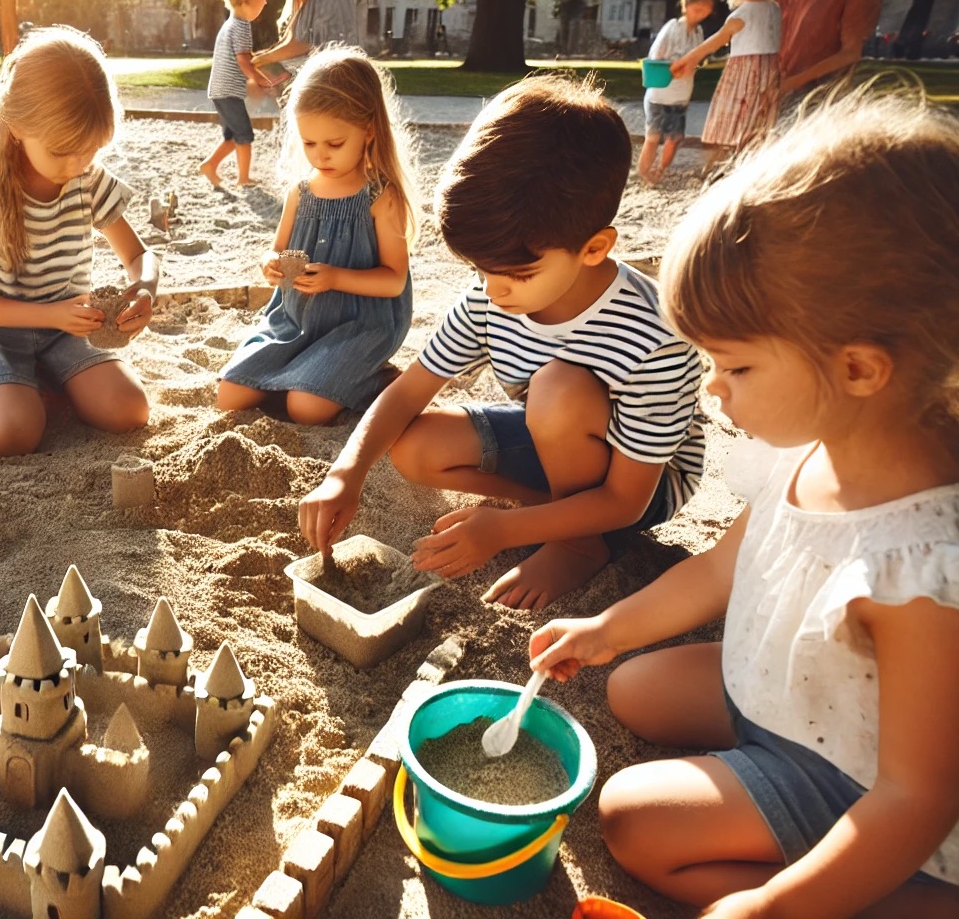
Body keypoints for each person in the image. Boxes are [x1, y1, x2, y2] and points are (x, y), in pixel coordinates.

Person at [529, 94, 959, 917]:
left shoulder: (929, 572)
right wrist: (609, 630)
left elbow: (917, 798)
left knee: (633, 821)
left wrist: (778, 905)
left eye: (736, 368)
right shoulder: (824, 437)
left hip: (866, 778)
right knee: (631, 687)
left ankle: (930, 903)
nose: (711, 387)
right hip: (809, 694)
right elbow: (724, 566)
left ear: (859, 367)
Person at [299, 75, 707, 608]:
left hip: (642, 481)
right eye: (479, 268)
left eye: (515, 272)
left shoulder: (654, 334)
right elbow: (407, 393)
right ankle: (553, 515)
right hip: (556, 441)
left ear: (593, 247)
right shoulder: (492, 294)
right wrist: (344, 474)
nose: (493, 289)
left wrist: (499, 531)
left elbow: (627, 499)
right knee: (416, 447)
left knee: (558, 388)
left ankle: (579, 543)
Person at [0, 26, 159, 456]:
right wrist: (51, 314)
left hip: (64, 326)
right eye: (61, 151)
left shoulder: (87, 180)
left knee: (129, 410)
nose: (75, 165)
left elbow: (139, 254)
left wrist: (143, 289)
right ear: (16, 125)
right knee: (14, 434)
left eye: (88, 151)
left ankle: (38, 376)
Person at [216, 47, 416, 426]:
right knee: (230, 395)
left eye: (334, 144)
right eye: (309, 144)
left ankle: (378, 378)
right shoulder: (302, 191)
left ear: (369, 130)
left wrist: (336, 278)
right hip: (295, 322)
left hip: (356, 329)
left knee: (304, 409)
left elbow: (393, 281)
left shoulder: (379, 196)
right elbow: (278, 249)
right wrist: (269, 264)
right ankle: (308, 376)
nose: (320, 155)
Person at [680, 0, 783, 170]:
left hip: (744, 72)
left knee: (731, 116)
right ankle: (754, 163)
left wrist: (689, 60)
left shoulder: (742, 14)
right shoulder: (775, 8)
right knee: (759, 118)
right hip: (769, 70)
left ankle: (716, 166)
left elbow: (715, 41)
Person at [201, 0, 282, 189]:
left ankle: (210, 165)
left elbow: (246, 57)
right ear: (246, 2)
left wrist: (262, 65)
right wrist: (261, 80)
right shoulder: (242, 26)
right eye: (261, 0)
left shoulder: (230, 24)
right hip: (227, 91)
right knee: (245, 134)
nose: (265, 4)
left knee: (232, 137)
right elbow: (243, 62)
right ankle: (244, 179)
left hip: (220, 91)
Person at [639, 0, 718, 185]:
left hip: (681, 96)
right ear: (686, 5)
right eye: (697, 5)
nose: (701, 9)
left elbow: (698, 58)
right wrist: (676, 68)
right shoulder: (672, 28)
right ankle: (644, 172)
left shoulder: (699, 32)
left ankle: (660, 170)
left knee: (674, 139)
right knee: (654, 137)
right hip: (660, 93)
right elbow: (655, 59)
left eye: (706, 5)